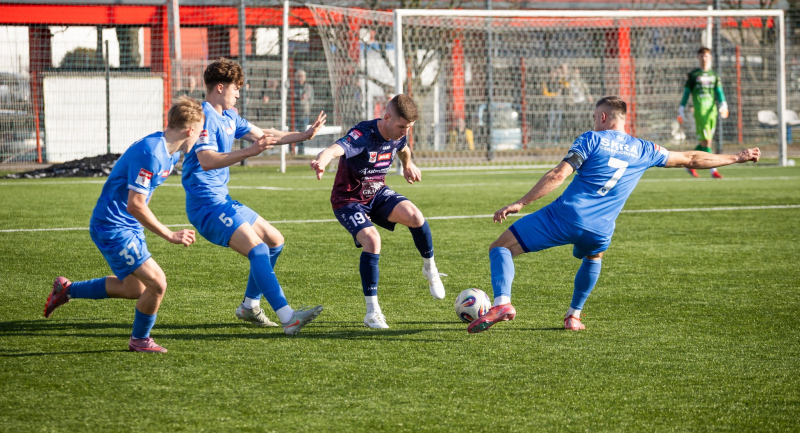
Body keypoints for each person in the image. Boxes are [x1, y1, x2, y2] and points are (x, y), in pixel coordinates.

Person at [467, 95, 760, 334]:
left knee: (501, 247)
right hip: (601, 229)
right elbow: (692, 158)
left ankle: (502, 303)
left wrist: (520, 203)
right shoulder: (645, 149)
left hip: (565, 217)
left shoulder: (591, 139)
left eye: (596, 117)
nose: (595, 122)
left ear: (604, 117)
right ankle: (573, 316)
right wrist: (737, 157)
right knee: (593, 256)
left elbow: (558, 175)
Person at [43, 96, 206, 353]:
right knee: (158, 284)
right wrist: (169, 234)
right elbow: (135, 205)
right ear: (190, 131)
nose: (200, 138)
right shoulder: (152, 153)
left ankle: (67, 290)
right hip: (112, 226)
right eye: (200, 132)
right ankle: (140, 340)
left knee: (134, 288)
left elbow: (142, 198)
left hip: (128, 226)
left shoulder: (170, 153)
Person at [182, 59, 327, 335]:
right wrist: (250, 151)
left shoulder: (229, 117)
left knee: (274, 240)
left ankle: (249, 306)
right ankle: (288, 318)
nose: (239, 93)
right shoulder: (203, 117)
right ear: (220, 87)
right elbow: (207, 160)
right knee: (258, 249)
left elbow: (267, 135)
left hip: (221, 200)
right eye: (236, 88)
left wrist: (304, 135)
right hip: (205, 205)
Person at [310, 94, 445, 329]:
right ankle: (372, 313)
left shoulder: (398, 135)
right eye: (402, 127)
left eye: (409, 128)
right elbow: (334, 149)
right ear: (387, 117)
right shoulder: (363, 135)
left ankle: (430, 269)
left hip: (376, 193)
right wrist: (322, 160)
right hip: (348, 200)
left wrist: (408, 165)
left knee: (416, 216)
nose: (405, 132)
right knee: (373, 241)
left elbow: (403, 148)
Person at [678, 47, 729, 178]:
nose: (704, 58)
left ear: (710, 57)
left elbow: (719, 92)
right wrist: (681, 108)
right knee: (707, 141)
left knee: (704, 142)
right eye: (701, 56)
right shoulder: (693, 75)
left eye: (706, 56)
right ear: (698, 58)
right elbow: (686, 93)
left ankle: (687, 164)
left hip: (712, 112)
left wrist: (723, 104)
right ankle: (713, 170)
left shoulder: (714, 75)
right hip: (700, 111)